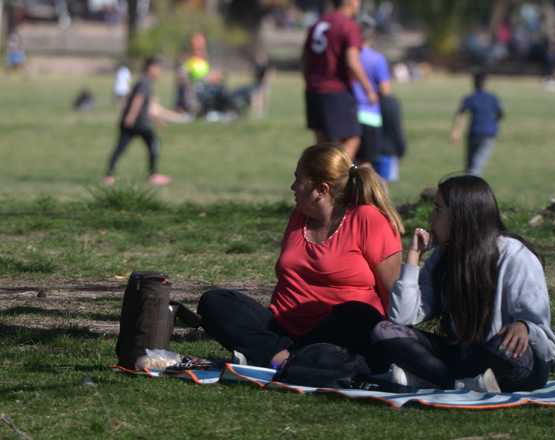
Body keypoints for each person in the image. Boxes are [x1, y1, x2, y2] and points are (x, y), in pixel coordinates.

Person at [198, 144, 404, 369]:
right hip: (282, 328)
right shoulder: (299, 216)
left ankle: (280, 357)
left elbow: (393, 295)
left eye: (298, 180)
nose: (292, 187)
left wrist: (398, 348)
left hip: (335, 332)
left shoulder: (368, 219)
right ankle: (288, 359)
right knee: (215, 302)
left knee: (358, 315)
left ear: (321, 189)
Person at [370, 175, 555, 392]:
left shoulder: (515, 256)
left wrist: (524, 327)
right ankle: (459, 383)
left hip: (506, 358)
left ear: (460, 217)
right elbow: (402, 317)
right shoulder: (442, 257)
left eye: (438, 210)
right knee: (385, 331)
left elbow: (546, 342)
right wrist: (413, 257)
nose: (431, 218)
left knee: (509, 349)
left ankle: (434, 380)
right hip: (464, 357)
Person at [302, 0, 377, 161]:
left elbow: (305, 57)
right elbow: (353, 61)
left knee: (323, 145)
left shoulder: (318, 23)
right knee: (353, 138)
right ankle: (335, 179)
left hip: (313, 90)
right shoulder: (348, 25)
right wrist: (369, 89)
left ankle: (322, 179)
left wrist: (309, 81)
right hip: (335, 91)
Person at [103, 57, 185, 186]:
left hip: (136, 122)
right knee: (152, 144)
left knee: (121, 148)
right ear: (151, 68)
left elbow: (150, 106)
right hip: (138, 123)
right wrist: (131, 116)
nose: (160, 71)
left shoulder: (145, 82)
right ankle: (153, 175)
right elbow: (138, 100)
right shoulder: (145, 82)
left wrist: (158, 119)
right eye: (158, 68)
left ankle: (109, 176)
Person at [352, 16, 391, 170]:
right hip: (370, 115)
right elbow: (385, 90)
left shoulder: (347, 56)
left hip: (348, 114)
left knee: (347, 162)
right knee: (366, 164)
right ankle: (365, 194)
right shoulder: (377, 59)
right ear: (372, 35)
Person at [451, 72, 504, 177]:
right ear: (486, 83)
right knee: (475, 166)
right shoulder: (493, 98)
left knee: (471, 166)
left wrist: (456, 132)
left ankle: (469, 189)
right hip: (488, 134)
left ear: (473, 83)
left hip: (474, 133)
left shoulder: (470, 98)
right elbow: (500, 115)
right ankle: (470, 189)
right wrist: (496, 127)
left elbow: (460, 115)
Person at [377, 94, 407, 184]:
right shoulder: (392, 103)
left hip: (368, 150)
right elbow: (397, 129)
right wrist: (401, 149)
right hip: (388, 152)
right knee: (383, 184)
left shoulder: (365, 101)